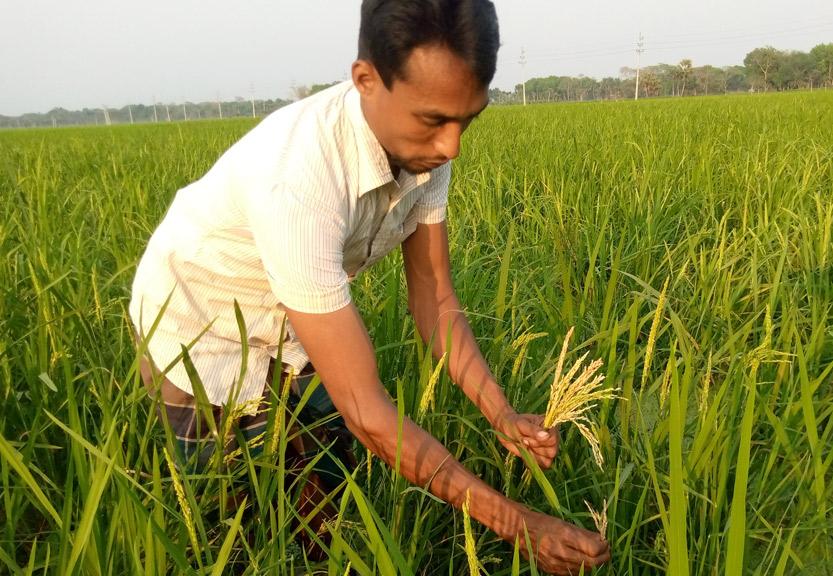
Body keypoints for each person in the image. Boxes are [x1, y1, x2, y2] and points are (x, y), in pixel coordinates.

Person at [129, 0, 610, 573]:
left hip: (297, 322)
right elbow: (366, 408)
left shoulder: (424, 147)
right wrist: (516, 524)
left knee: (324, 492)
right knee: (234, 520)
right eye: (435, 120)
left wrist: (501, 413)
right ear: (366, 79)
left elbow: (434, 296)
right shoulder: (299, 177)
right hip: (199, 327)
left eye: (468, 120)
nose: (452, 146)